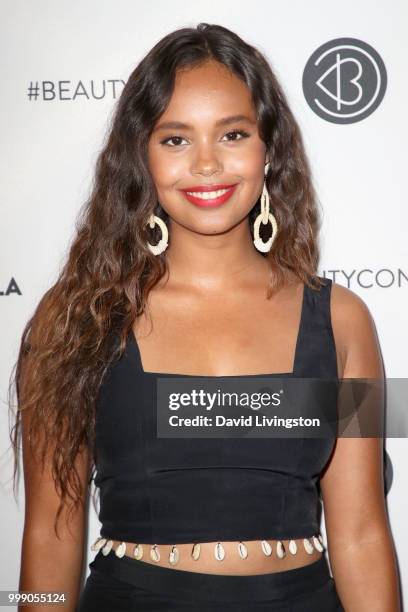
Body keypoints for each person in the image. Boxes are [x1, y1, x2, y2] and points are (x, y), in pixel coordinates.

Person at [11, 22, 400, 612]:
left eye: (233, 134)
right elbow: (49, 533)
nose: (207, 164)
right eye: (175, 140)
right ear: (140, 157)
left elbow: (364, 533)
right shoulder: (74, 317)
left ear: (269, 148)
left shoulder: (343, 323)